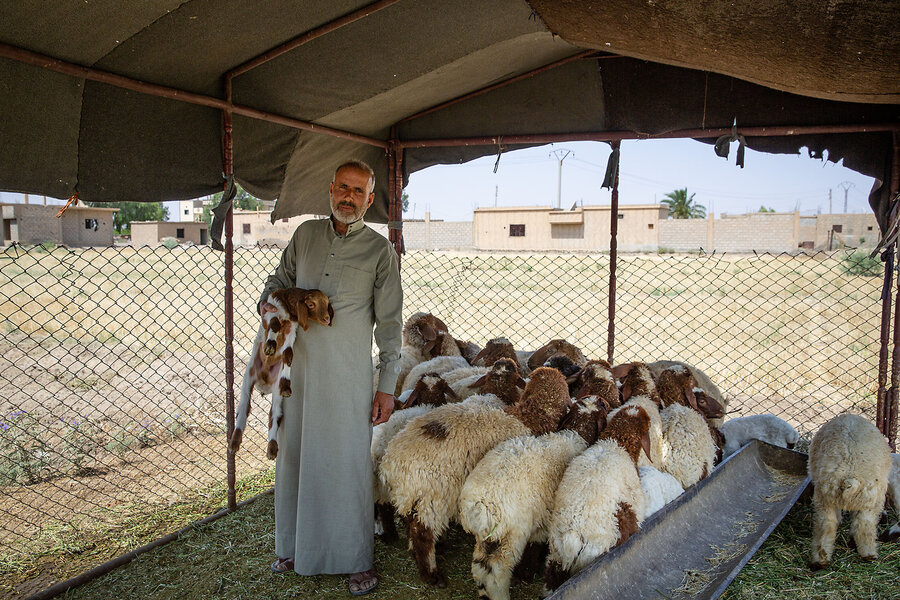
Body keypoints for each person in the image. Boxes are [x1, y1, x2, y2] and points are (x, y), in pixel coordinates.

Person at [257, 159, 403, 596]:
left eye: (358, 192)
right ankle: (293, 547)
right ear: (330, 190)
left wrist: (386, 386)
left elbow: (390, 326)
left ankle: (356, 559)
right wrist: (287, 297)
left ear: (370, 200)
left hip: (347, 380)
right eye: (343, 187)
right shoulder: (304, 237)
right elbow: (272, 288)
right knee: (296, 456)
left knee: (345, 465)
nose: (349, 197)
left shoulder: (380, 252)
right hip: (296, 376)